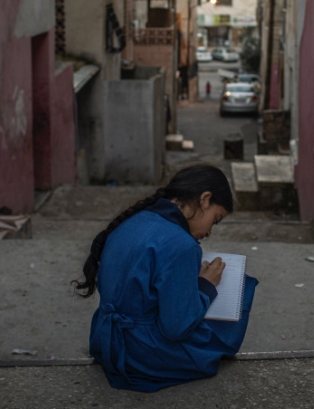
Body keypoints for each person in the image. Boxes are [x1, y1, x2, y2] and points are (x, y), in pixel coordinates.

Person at [73, 165, 258, 392]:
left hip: (104, 340)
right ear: (205, 199)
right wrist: (205, 286)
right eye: (215, 220)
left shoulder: (133, 220)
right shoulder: (183, 245)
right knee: (233, 307)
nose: (210, 231)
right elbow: (176, 328)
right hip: (138, 354)